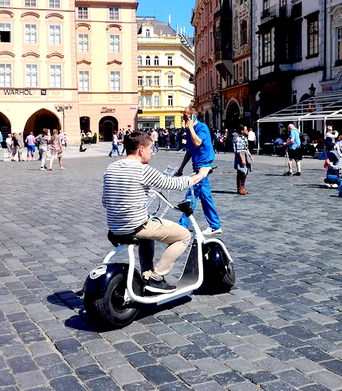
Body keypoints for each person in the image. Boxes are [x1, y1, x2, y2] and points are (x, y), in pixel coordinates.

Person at [102, 131, 211, 293]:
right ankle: (157, 277)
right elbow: (174, 184)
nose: (152, 151)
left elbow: (105, 201)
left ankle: (146, 274)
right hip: (136, 226)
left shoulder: (111, 168)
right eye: (150, 148)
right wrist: (201, 175)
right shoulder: (142, 170)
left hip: (115, 227)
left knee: (148, 232)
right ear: (141, 150)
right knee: (184, 236)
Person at [174, 106, 222, 233]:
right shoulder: (190, 131)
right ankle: (215, 225)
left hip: (204, 166)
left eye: (185, 115)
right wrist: (181, 168)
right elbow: (189, 151)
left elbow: (197, 143)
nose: (183, 117)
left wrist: (190, 127)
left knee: (191, 195)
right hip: (197, 166)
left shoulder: (202, 128)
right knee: (206, 197)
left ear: (192, 116)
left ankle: (182, 225)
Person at [233, 125, 254, 195]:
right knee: (241, 172)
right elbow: (238, 151)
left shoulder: (245, 138)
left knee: (245, 172)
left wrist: (250, 156)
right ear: (242, 131)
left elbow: (246, 148)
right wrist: (242, 160)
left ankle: (243, 187)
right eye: (246, 130)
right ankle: (239, 188)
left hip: (245, 155)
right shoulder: (238, 139)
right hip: (241, 156)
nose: (247, 131)